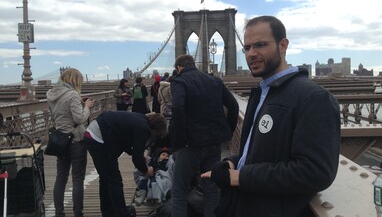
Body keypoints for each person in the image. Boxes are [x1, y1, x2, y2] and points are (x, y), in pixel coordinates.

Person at [201, 15, 341, 217]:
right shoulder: (261, 92)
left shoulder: (314, 98)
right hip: (241, 206)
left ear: (283, 45)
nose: (251, 53)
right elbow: (262, 152)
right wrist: (233, 161)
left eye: (260, 45)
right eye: (247, 47)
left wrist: (239, 177)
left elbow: (316, 173)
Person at [169, 54, 239, 217]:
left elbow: (178, 109)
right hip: (214, 144)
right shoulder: (214, 81)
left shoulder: (179, 81)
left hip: (190, 145)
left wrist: (179, 140)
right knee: (211, 190)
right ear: (193, 64)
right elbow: (233, 106)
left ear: (179, 68)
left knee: (179, 191)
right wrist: (228, 131)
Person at [83, 111, 167, 217]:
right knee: (114, 180)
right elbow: (137, 159)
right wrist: (146, 170)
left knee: (106, 178)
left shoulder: (141, 119)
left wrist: (137, 155)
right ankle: (122, 213)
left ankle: (108, 211)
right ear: (155, 130)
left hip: (94, 133)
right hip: (99, 138)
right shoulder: (144, 129)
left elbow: (125, 141)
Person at [46, 68, 94, 217]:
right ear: (75, 80)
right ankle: (78, 212)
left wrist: (78, 101)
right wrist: (86, 107)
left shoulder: (51, 94)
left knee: (61, 177)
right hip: (76, 141)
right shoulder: (72, 94)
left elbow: (59, 113)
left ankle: (59, 212)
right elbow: (79, 119)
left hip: (61, 141)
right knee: (77, 179)